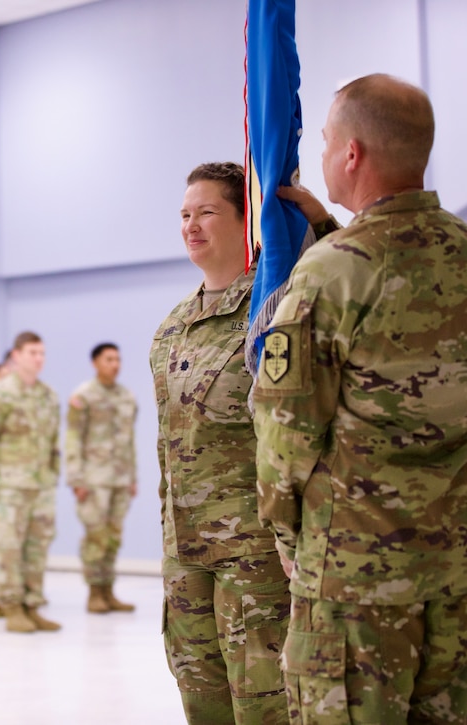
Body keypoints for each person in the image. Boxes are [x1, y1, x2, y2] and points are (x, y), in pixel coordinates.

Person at [254, 73, 467, 724]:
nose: (327, 153)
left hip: (357, 585)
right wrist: (329, 229)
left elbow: (285, 427)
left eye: (329, 140)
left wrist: (285, 534)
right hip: (452, 570)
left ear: (352, 154)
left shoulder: (333, 270)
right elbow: (392, 314)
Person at [149, 162, 290, 723]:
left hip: (253, 556)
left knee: (265, 707)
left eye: (207, 212)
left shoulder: (272, 312)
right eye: (185, 215)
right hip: (184, 555)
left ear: (245, 219)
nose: (192, 226)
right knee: (201, 704)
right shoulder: (172, 328)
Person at [0, 331, 61, 633]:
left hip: (41, 486)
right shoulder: (0, 395)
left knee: (38, 547)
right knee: (9, 548)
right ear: (16, 356)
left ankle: (32, 604)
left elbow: (53, 443)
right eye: (32, 353)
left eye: (42, 353)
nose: (38, 359)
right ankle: (11, 605)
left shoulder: (48, 395)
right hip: (10, 486)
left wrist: (52, 476)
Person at [65, 342, 137, 614]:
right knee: (96, 537)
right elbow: (73, 438)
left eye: (117, 359)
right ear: (95, 363)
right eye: (109, 359)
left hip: (120, 479)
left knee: (113, 537)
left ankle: (109, 591)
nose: (115, 364)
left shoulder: (126, 396)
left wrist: (132, 477)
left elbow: (129, 441)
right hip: (93, 480)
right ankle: (94, 592)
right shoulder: (83, 396)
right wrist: (76, 479)